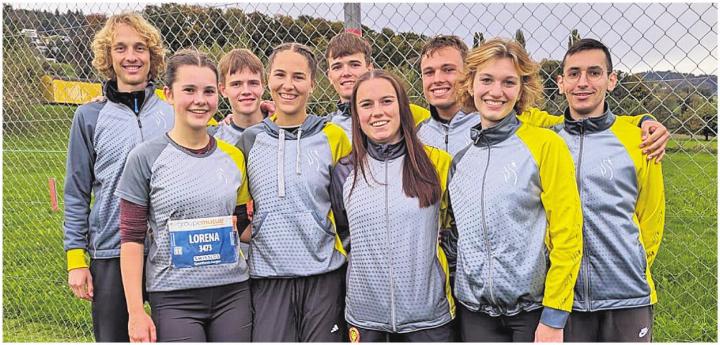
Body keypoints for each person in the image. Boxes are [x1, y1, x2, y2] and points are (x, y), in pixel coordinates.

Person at [448, 38, 583, 342]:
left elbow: (568, 235)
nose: (496, 92)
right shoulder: (460, 161)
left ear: (522, 89)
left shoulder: (545, 146)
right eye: (486, 80)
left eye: (509, 82)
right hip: (474, 313)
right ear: (470, 84)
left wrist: (554, 315)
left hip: (533, 313)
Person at [116, 49, 253, 342]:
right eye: (189, 90)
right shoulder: (145, 158)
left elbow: (241, 223)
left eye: (208, 91)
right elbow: (130, 239)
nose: (200, 100)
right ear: (169, 94)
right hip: (173, 296)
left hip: (233, 292)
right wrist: (136, 312)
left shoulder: (233, 156)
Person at [62, 12, 173, 342]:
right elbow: (76, 193)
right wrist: (75, 260)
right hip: (110, 251)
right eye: (120, 48)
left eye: (139, 47)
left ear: (151, 55)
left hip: (168, 251)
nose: (131, 57)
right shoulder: (88, 116)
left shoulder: (172, 111)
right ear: (108, 57)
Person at [236, 42, 350, 342]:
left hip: (324, 275)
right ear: (268, 81)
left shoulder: (333, 137)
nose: (289, 85)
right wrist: (259, 231)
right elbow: (235, 211)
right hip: (269, 277)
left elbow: (347, 210)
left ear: (312, 83)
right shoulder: (251, 140)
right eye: (280, 75)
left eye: (299, 77)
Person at [330, 70, 455, 342]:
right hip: (364, 318)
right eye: (366, 104)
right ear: (356, 114)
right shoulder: (344, 171)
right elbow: (342, 233)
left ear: (402, 107)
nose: (377, 112)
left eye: (387, 101)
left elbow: (455, 230)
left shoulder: (437, 164)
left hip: (428, 317)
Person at [556, 38, 665, 342]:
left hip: (627, 295)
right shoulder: (548, 141)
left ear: (611, 80)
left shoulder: (639, 141)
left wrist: (633, 266)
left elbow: (652, 216)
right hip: (566, 296)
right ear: (561, 82)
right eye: (574, 74)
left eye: (594, 73)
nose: (583, 82)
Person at [417, 34, 670, 159]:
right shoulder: (415, 125)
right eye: (429, 72)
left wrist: (643, 120)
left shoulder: (508, 116)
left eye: (449, 69)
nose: (438, 79)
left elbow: (574, 123)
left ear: (467, 75)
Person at [210, 48, 268, 258]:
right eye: (236, 84)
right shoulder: (213, 139)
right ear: (222, 90)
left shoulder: (281, 131)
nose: (246, 90)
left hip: (280, 245)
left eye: (253, 82)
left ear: (264, 85)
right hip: (234, 251)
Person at [325, 32, 430, 140]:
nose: (346, 73)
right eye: (337, 67)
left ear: (369, 69)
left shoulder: (413, 115)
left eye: (354, 65)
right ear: (329, 76)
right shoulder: (325, 130)